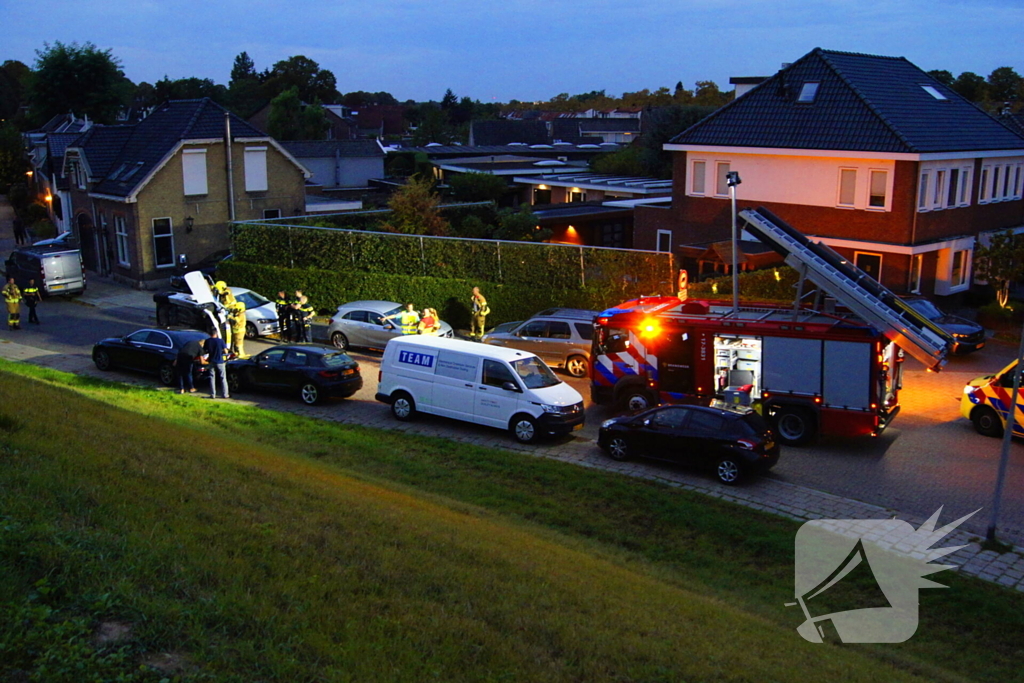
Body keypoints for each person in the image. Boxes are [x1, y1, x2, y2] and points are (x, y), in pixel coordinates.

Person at [203, 328, 230, 399]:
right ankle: (225, 394)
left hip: (211, 361)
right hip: (220, 361)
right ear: (216, 333)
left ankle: (213, 394)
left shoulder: (207, 341)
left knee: (212, 377)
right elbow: (226, 351)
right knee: (223, 378)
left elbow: (205, 351)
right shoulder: (220, 341)